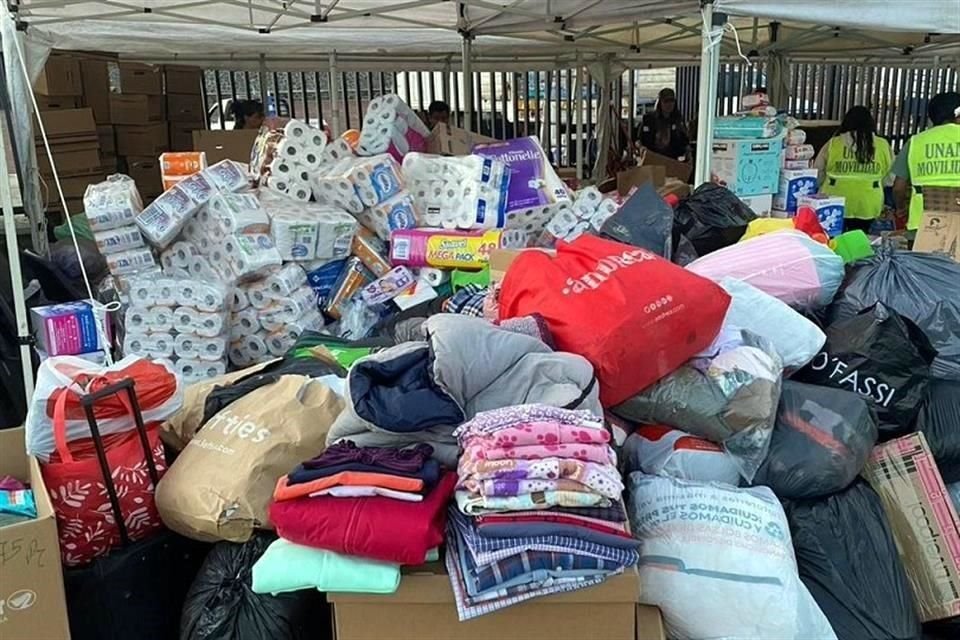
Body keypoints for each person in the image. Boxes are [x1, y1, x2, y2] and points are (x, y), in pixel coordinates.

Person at [813, 106, 893, 233]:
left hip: (835, 200)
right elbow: (890, 177)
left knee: (834, 237)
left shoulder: (834, 143)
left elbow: (818, 171)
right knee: (861, 237)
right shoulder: (882, 145)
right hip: (869, 202)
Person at [892, 91, 960, 233]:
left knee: (920, 256)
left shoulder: (915, 142)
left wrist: (900, 209)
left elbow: (898, 187)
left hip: (923, 224)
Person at [638, 88, 689, 160]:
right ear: (660, 102)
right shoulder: (649, 119)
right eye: (666, 101)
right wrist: (641, 147)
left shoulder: (678, 119)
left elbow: (685, 140)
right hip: (652, 157)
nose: (669, 104)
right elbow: (639, 139)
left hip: (672, 159)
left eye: (671, 101)